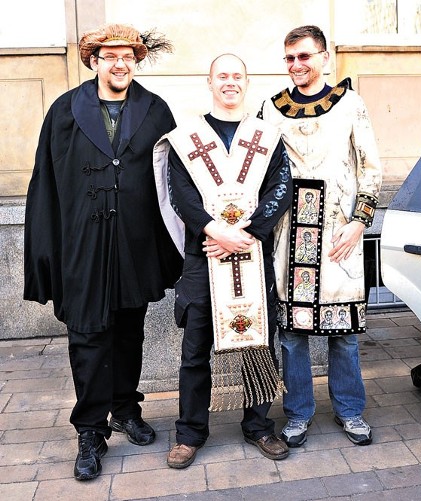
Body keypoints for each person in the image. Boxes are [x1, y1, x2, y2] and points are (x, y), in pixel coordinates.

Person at [23, 24, 182, 481]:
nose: (120, 64)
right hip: (83, 244)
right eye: (110, 56)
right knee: (89, 335)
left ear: (136, 60)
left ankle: (125, 409)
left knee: (130, 329)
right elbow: (45, 186)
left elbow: (175, 180)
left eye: (128, 56)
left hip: (134, 243)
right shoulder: (65, 111)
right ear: (94, 60)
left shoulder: (155, 110)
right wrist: (45, 251)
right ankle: (90, 429)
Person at [153, 53, 293, 469]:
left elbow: (280, 190)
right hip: (203, 257)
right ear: (209, 82)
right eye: (222, 76)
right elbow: (181, 195)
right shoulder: (186, 138)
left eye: (237, 76)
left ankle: (259, 427)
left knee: (258, 343)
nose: (230, 82)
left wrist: (244, 236)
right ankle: (189, 434)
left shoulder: (266, 136)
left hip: (253, 254)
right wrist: (218, 232)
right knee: (195, 350)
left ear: (246, 83)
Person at [260, 25, 382, 447]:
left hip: (337, 232)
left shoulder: (351, 104)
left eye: (305, 57)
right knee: (293, 334)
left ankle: (350, 411)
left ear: (325, 58)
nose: (296, 65)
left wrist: (360, 220)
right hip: (290, 234)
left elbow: (371, 166)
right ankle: (297, 414)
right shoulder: (271, 108)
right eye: (290, 58)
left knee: (344, 334)